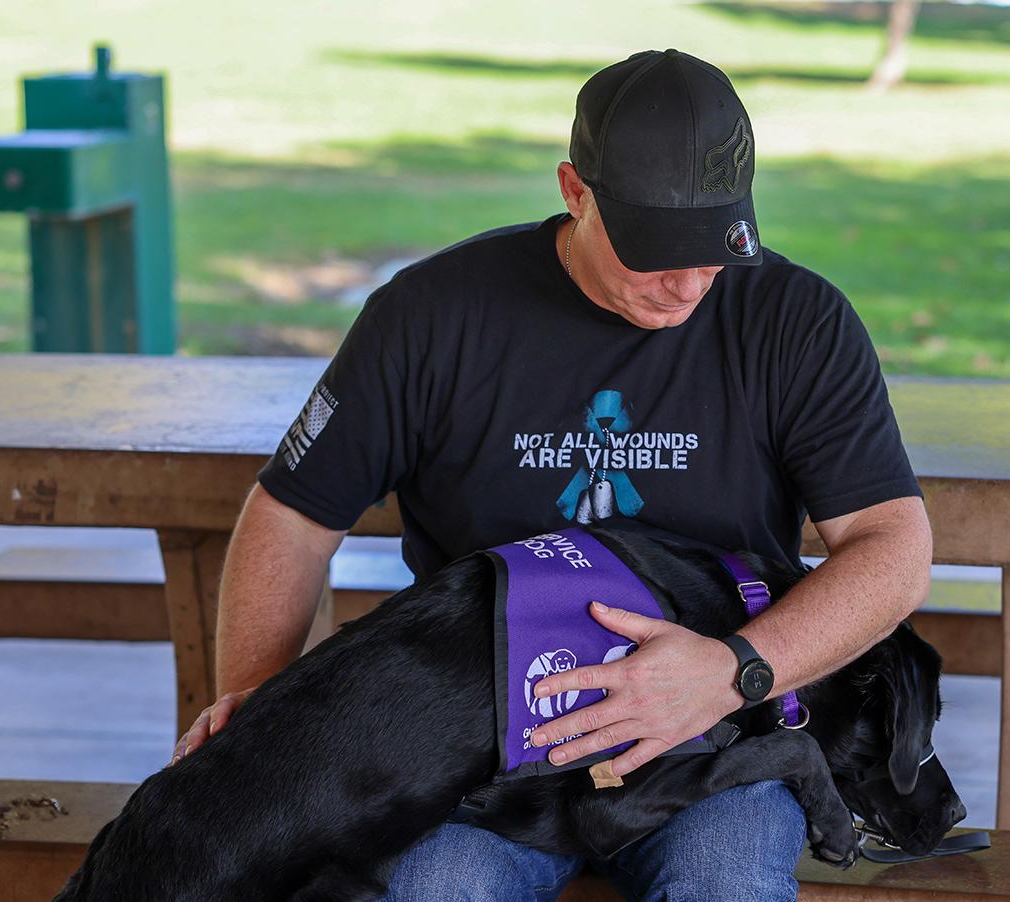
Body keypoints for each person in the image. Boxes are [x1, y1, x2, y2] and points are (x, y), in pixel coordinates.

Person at [170, 49, 932, 900]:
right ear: (575, 192)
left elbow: (891, 545)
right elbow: (294, 516)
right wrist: (260, 708)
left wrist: (733, 669)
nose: (687, 286)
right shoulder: (433, 317)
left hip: (712, 737)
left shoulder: (795, 321)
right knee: (436, 892)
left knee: (723, 884)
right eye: (655, 252)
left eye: (714, 249)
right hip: (482, 750)